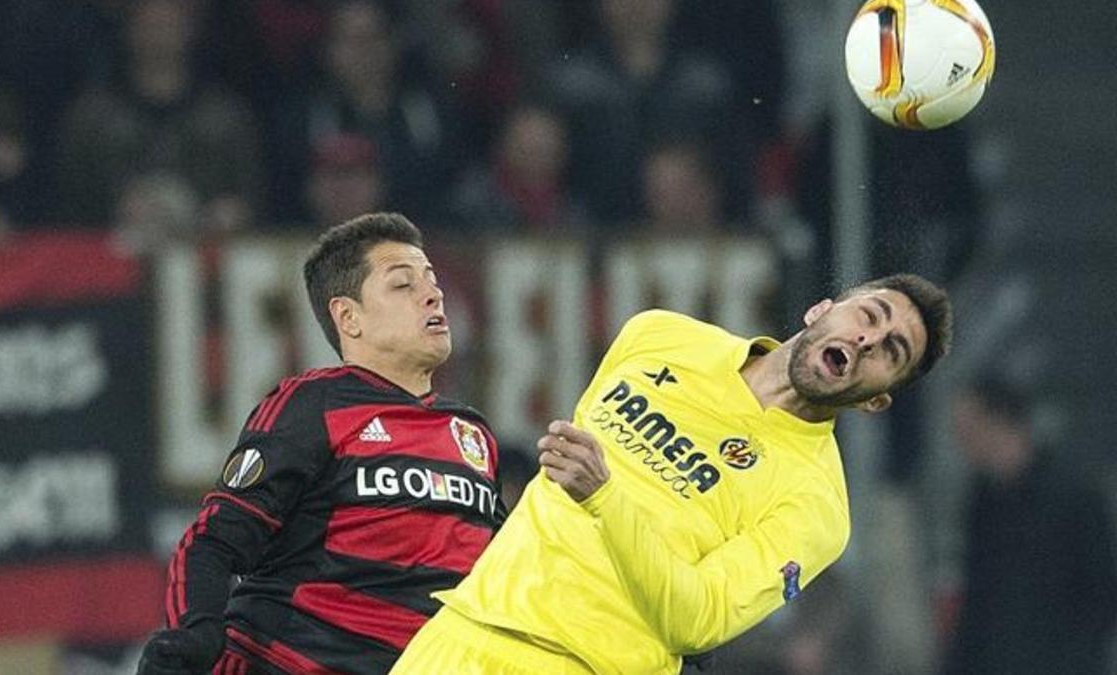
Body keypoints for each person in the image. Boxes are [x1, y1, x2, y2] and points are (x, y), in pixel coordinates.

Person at [392, 273, 953, 674]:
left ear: (874, 402)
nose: (866, 339)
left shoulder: (816, 507)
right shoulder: (658, 336)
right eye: (869, 315)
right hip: (463, 632)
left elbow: (698, 620)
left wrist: (606, 498)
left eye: (890, 351)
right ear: (820, 310)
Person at [137, 213, 506, 675]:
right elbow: (213, 543)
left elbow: (503, 587)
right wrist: (189, 641)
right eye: (402, 284)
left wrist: (587, 496)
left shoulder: (472, 435)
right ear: (348, 317)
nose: (434, 294)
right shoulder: (315, 404)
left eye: (431, 281)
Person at [942, 374, 1117, 675]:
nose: (961, 445)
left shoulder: (1075, 497)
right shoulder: (983, 502)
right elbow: (977, 599)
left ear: (997, 420)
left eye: (968, 431)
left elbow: (1100, 595)